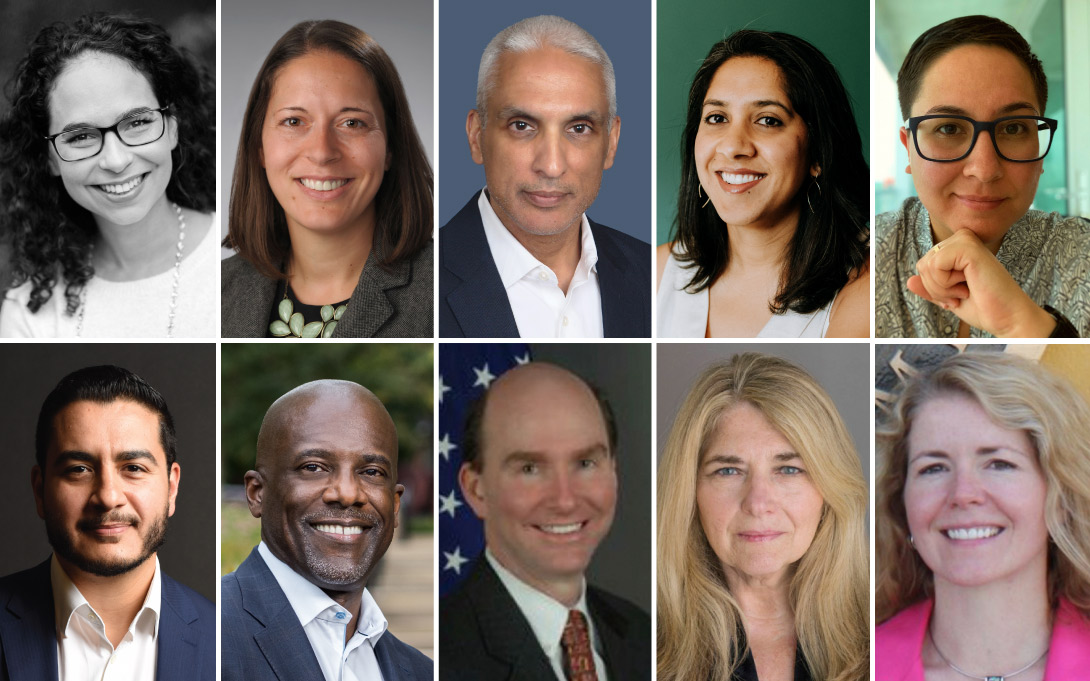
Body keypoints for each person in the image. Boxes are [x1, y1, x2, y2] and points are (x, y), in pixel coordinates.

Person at [0, 13, 217, 338]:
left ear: (172, 128)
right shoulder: (32, 312)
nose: (115, 160)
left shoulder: (244, 256)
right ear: (50, 159)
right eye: (81, 136)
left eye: (137, 123)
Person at [876, 352, 1090, 680]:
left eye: (999, 464)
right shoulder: (860, 664)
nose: (963, 494)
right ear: (901, 504)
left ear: (1059, 498)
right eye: (934, 468)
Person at [876, 15, 1090, 339]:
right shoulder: (858, 262)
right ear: (908, 148)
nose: (985, 169)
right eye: (948, 128)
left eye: (1014, 128)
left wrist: (1026, 326)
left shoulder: (1082, 256)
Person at [658, 353, 868, 681]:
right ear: (690, 491)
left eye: (788, 469)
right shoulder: (644, 647)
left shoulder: (880, 638)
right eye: (728, 470)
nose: (758, 503)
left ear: (829, 488)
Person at [439, 15, 650, 338]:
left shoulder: (656, 276)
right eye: (522, 125)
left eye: (578, 128)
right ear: (476, 136)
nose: (551, 166)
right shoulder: (420, 279)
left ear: (612, 142)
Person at [0, 365, 214, 680]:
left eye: (134, 468)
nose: (108, 496)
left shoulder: (221, 635)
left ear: (171, 488)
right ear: (39, 490)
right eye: (78, 469)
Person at [221, 20, 433, 338]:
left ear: (390, 148)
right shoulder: (213, 296)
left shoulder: (443, 292)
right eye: (294, 121)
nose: (322, 152)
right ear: (259, 148)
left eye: (352, 123)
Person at [440, 363, 651, 680]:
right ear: (475, 489)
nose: (565, 500)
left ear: (613, 471)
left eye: (585, 463)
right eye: (529, 468)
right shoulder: (439, 658)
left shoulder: (644, 634)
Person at [656, 31, 869, 338]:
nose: (733, 146)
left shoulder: (867, 290)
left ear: (818, 153)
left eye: (768, 120)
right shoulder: (656, 273)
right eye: (717, 118)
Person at [221, 380, 432, 680]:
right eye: (314, 467)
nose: (347, 494)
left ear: (395, 504)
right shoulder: (207, 636)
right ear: (258, 493)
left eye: (371, 472)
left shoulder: (421, 672)